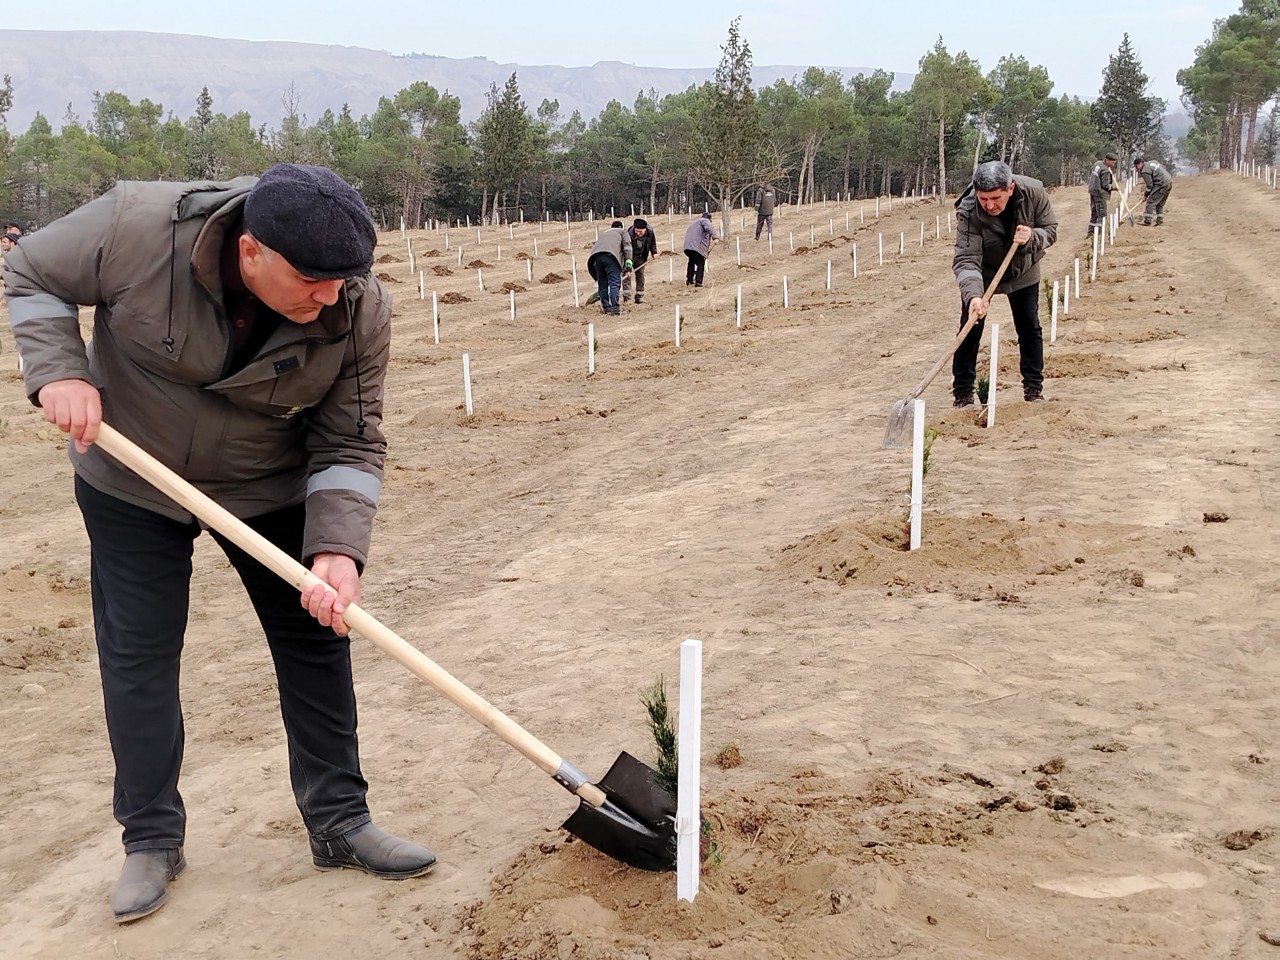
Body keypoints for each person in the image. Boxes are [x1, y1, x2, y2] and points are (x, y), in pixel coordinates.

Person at [2, 163, 436, 923]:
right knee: (138, 654)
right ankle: (151, 840)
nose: (329, 298)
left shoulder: (357, 305)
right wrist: (58, 371)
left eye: (344, 280)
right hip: (133, 479)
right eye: (312, 279)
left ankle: (339, 822)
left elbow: (352, 440)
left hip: (269, 486)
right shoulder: (134, 227)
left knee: (317, 636)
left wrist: (336, 549)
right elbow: (30, 269)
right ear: (250, 251)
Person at [951, 160, 1058, 406]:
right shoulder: (968, 209)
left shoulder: (1034, 192)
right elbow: (966, 259)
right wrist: (974, 297)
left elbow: (1050, 230)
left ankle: (1033, 390)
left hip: (1023, 268)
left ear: (1010, 189)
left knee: (1029, 327)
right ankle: (963, 394)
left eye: (996, 198)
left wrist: (1033, 236)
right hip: (984, 273)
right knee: (970, 327)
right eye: (983, 198)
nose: (989, 205)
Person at [586, 220, 632, 315]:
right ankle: (614, 308)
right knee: (614, 282)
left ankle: (606, 307)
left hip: (596, 258)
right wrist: (628, 263)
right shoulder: (623, 231)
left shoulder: (604, 233)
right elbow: (627, 247)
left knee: (602, 283)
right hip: (611, 257)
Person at [622, 218, 658, 304]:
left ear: (645, 230)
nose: (638, 233)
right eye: (636, 231)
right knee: (627, 276)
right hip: (629, 256)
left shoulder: (650, 232)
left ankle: (639, 296)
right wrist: (628, 267)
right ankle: (627, 299)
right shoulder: (629, 233)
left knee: (640, 276)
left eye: (640, 232)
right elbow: (627, 249)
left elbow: (652, 243)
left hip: (641, 256)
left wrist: (654, 252)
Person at [682, 211, 719, 288]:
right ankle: (698, 282)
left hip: (688, 246)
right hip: (696, 246)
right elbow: (709, 227)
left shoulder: (694, 223)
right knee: (700, 263)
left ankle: (689, 280)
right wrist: (715, 237)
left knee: (691, 261)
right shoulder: (705, 221)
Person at [1133, 156, 1172, 226]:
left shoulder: (1145, 171)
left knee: (1150, 202)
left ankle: (1147, 221)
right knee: (1159, 203)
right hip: (1168, 181)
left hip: (1161, 183)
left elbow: (1149, 186)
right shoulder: (1152, 162)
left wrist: (1145, 195)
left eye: (1137, 166)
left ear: (1141, 163)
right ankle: (1159, 220)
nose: (1136, 169)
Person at [1087, 153, 1117, 237]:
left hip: (1092, 190)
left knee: (1094, 213)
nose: (1113, 164)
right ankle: (1099, 233)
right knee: (1102, 214)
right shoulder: (1105, 170)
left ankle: (1091, 231)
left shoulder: (1097, 164)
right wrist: (1113, 188)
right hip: (1100, 193)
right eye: (1112, 162)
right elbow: (1105, 185)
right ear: (1107, 160)